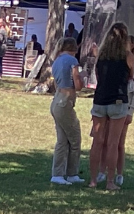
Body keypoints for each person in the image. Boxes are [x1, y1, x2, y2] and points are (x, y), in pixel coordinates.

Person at [87, 22, 130, 191]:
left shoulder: (101, 57)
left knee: (97, 142)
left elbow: (98, 77)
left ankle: (93, 180)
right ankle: (110, 181)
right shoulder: (128, 56)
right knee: (113, 143)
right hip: (118, 101)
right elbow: (130, 76)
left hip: (100, 100)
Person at [48, 36, 83, 186]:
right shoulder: (73, 61)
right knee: (75, 137)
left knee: (62, 140)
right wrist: (83, 78)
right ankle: (71, 172)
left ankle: (57, 173)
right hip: (66, 101)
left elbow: (57, 83)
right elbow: (78, 84)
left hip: (57, 99)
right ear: (74, 48)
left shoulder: (56, 61)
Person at [112, 35, 134, 188]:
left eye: (127, 44)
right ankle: (103, 171)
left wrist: (131, 111)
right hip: (112, 105)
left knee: (119, 143)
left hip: (125, 107)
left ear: (132, 46)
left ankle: (119, 174)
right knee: (106, 141)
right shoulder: (115, 62)